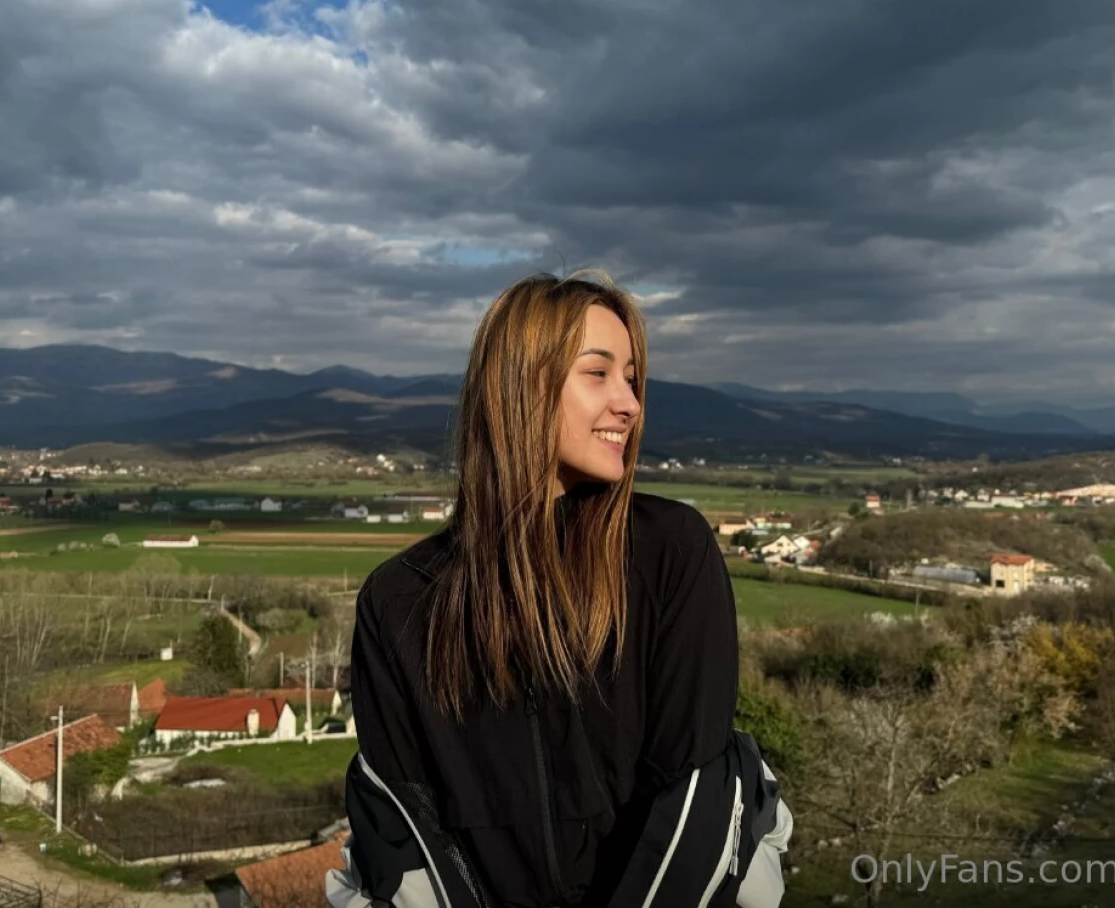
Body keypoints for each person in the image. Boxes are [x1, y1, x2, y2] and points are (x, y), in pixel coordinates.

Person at [326, 271, 792, 908]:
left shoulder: (669, 552)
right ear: (519, 388)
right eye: (598, 373)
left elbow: (695, 793)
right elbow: (405, 834)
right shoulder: (400, 600)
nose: (629, 403)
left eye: (631, 378)